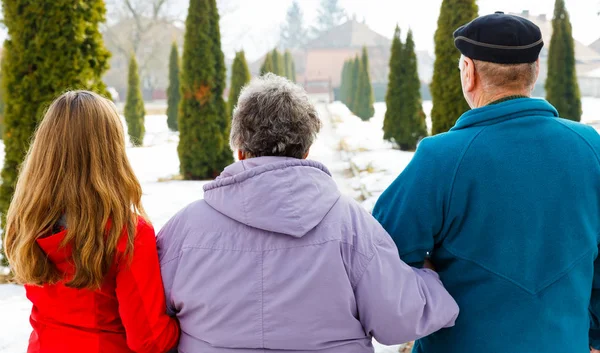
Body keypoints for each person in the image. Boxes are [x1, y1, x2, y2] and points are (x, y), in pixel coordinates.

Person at [157, 74, 459, 353]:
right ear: (306, 150)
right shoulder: (351, 224)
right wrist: (432, 279)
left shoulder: (183, 229)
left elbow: (150, 320)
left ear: (239, 148)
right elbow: (397, 320)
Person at [373, 12, 600, 353]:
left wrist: (431, 278)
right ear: (535, 69)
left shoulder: (440, 157)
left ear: (469, 71)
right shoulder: (590, 147)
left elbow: (380, 255)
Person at [4, 91, 179, 353]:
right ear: (111, 153)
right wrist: (182, 325)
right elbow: (149, 340)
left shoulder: (26, 222)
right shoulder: (127, 233)